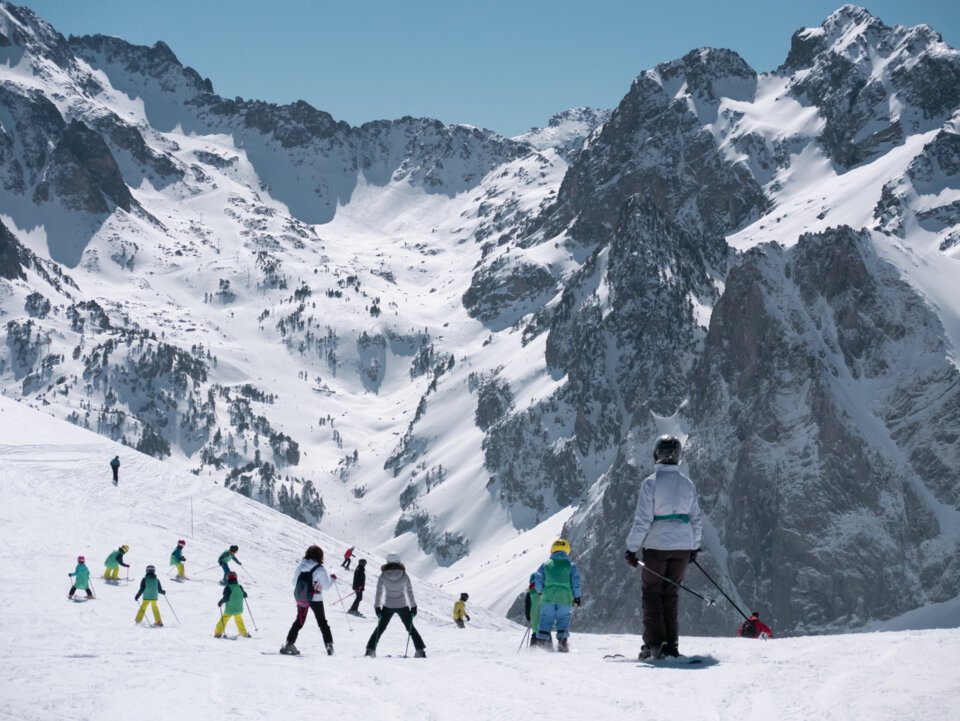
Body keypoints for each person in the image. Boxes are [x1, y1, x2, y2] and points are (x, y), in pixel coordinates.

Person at [623, 435, 703, 660]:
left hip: (657, 546)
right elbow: (696, 519)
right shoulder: (688, 484)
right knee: (671, 595)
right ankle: (671, 645)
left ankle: (654, 645)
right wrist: (694, 547)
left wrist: (631, 549)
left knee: (652, 594)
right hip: (683, 548)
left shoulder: (651, 483)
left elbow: (643, 521)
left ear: (656, 455)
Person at [365, 553, 426, 658]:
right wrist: (413, 607)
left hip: (388, 606)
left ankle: (370, 651)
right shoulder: (404, 575)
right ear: (398, 561)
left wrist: (377, 607)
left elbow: (379, 593)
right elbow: (409, 592)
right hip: (402, 605)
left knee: (380, 628)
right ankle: (420, 651)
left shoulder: (383, 575)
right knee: (410, 628)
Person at [280, 545, 337, 656]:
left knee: (299, 621)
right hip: (316, 598)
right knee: (322, 622)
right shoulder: (320, 569)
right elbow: (326, 587)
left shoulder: (301, 566)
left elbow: (294, 582)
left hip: (302, 597)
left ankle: (289, 644)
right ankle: (329, 645)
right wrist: (333, 579)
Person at [533, 539, 582, 652]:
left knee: (546, 619)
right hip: (564, 598)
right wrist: (577, 597)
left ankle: (541, 644)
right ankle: (563, 643)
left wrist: (540, 591)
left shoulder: (545, 565)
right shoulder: (571, 566)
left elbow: (538, 578)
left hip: (548, 597)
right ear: (567, 550)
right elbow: (576, 582)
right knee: (563, 619)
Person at [215, 571, 251, 638]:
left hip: (230, 609)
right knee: (239, 621)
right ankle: (244, 634)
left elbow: (226, 598)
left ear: (228, 578)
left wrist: (221, 602)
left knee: (224, 619)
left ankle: (218, 633)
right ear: (236, 578)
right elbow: (245, 595)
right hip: (238, 608)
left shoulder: (228, 588)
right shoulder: (240, 587)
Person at [524, 573, 541, 647]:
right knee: (545, 633)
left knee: (535, 633)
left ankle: (533, 650)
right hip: (545, 618)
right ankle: (549, 649)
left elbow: (527, 607)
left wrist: (528, 617)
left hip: (534, 618)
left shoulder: (530, 593)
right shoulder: (544, 591)